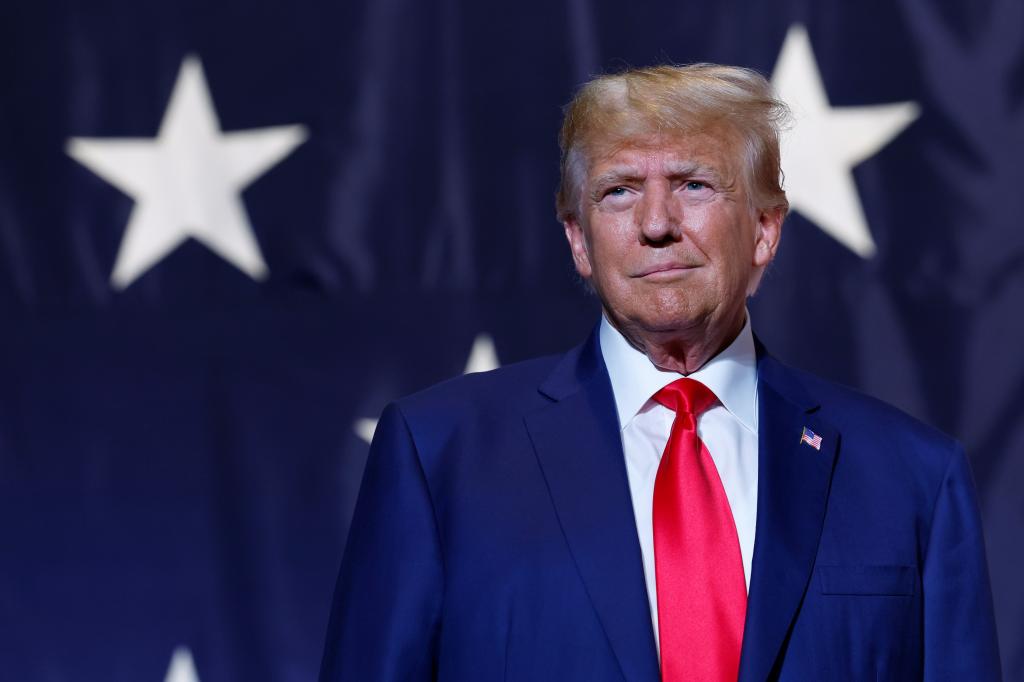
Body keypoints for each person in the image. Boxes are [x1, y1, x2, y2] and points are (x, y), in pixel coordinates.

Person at [319, 64, 1001, 681]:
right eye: (618, 192)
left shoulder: (911, 475)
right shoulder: (440, 456)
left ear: (765, 228)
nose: (655, 224)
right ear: (579, 240)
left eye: (693, 185)